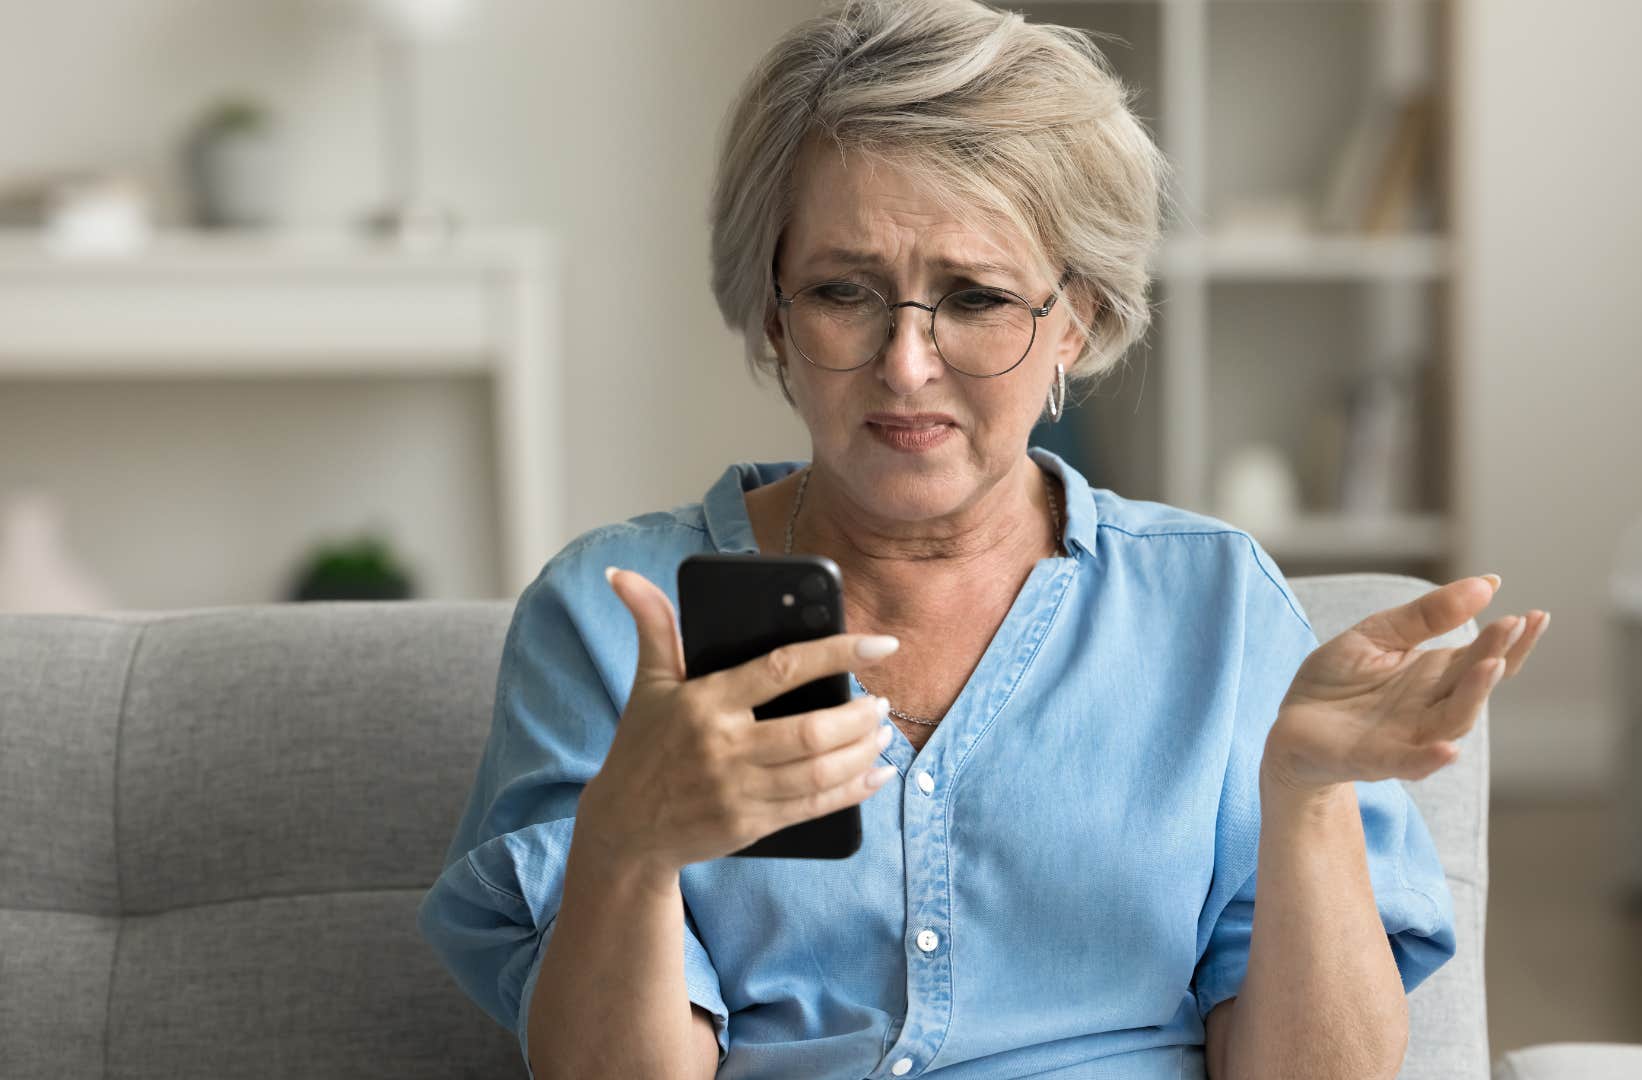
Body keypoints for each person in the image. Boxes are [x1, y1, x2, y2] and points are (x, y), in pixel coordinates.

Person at [418, 1, 1551, 1077]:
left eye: (975, 298)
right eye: (843, 291)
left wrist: (1306, 799)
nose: (906, 364)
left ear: (1082, 317)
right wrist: (628, 844)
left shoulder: (1215, 608)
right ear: (773, 311)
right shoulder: (616, 618)